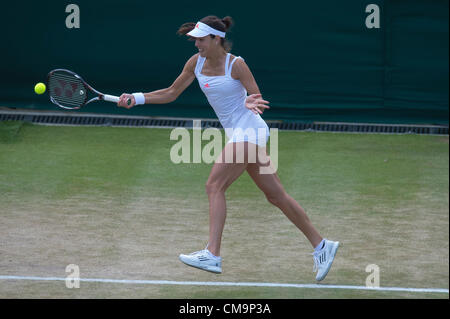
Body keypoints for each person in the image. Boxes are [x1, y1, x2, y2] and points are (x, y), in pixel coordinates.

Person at [117, 15, 339, 281]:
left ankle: (212, 254)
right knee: (276, 196)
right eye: (195, 39)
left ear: (216, 39)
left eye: (201, 39)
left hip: (250, 130)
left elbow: (255, 96)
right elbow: (171, 92)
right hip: (240, 134)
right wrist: (137, 98)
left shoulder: (237, 65)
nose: (196, 44)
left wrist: (250, 102)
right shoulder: (195, 63)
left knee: (214, 186)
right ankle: (322, 245)